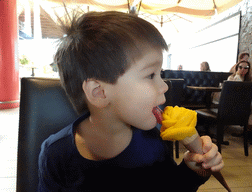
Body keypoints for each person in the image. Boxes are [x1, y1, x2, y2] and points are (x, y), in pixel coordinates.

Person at [38, 11, 224, 191]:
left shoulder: (154, 139)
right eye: (150, 75)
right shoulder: (56, 154)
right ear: (99, 92)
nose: (165, 86)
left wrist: (193, 167)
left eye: (161, 74)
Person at [227, 60, 252, 143]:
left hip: (247, 103)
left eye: (246, 67)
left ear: (248, 69)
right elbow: (237, 91)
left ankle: (249, 134)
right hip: (235, 104)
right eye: (240, 67)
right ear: (237, 68)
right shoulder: (231, 78)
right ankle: (250, 135)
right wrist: (238, 76)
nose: (243, 69)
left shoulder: (249, 79)